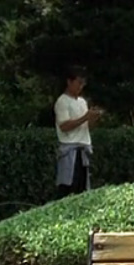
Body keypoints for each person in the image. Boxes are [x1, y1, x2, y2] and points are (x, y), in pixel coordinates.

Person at [54, 65, 102, 198]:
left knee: (82, 189)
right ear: (69, 82)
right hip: (70, 149)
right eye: (78, 83)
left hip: (83, 149)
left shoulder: (82, 102)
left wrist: (93, 118)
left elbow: (87, 127)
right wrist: (85, 117)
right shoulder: (62, 101)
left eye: (83, 84)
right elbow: (64, 126)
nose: (80, 87)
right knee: (68, 187)